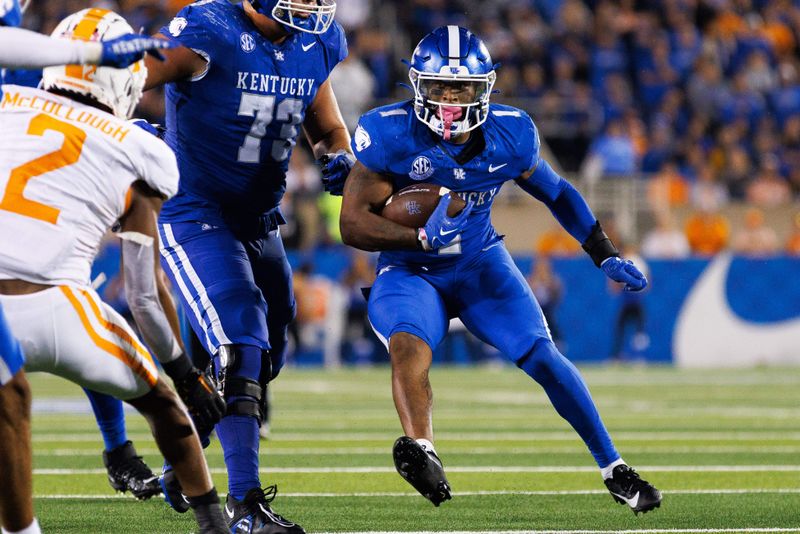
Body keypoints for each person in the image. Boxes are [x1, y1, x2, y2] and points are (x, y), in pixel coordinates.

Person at [340, 26, 662, 515]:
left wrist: (602, 251)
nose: (449, 99)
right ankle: (423, 451)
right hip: (411, 269)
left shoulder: (510, 133)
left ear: (484, 88)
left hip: (479, 263)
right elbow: (351, 223)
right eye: (440, 87)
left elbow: (557, 193)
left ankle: (614, 468)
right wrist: (418, 238)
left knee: (543, 357)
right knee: (408, 344)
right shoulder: (388, 132)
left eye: (461, 89)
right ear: (417, 86)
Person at [0, 9, 229, 533]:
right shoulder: (138, 147)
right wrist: (188, 377)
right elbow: (145, 296)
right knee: (166, 408)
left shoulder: (6, 104)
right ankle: (213, 523)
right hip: (60, 305)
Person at [142, 1, 352, 531]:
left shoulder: (317, 41)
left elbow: (327, 129)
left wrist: (338, 157)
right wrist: (127, 137)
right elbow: (129, 76)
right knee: (241, 340)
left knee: (266, 354)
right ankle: (245, 506)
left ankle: (183, 454)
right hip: (196, 212)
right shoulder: (207, 30)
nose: (307, 8)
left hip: (261, 220)